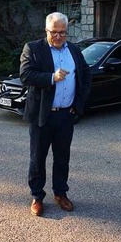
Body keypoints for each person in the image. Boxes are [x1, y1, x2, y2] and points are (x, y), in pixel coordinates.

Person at [20, 12, 91, 217]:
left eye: (63, 32)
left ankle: (60, 193)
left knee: (62, 158)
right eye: (54, 32)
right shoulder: (33, 48)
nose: (59, 36)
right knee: (37, 158)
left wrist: (78, 104)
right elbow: (25, 75)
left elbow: (85, 76)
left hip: (65, 115)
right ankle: (37, 196)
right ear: (46, 31)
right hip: (43, 114)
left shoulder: (75, 50)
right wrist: (52, 77)